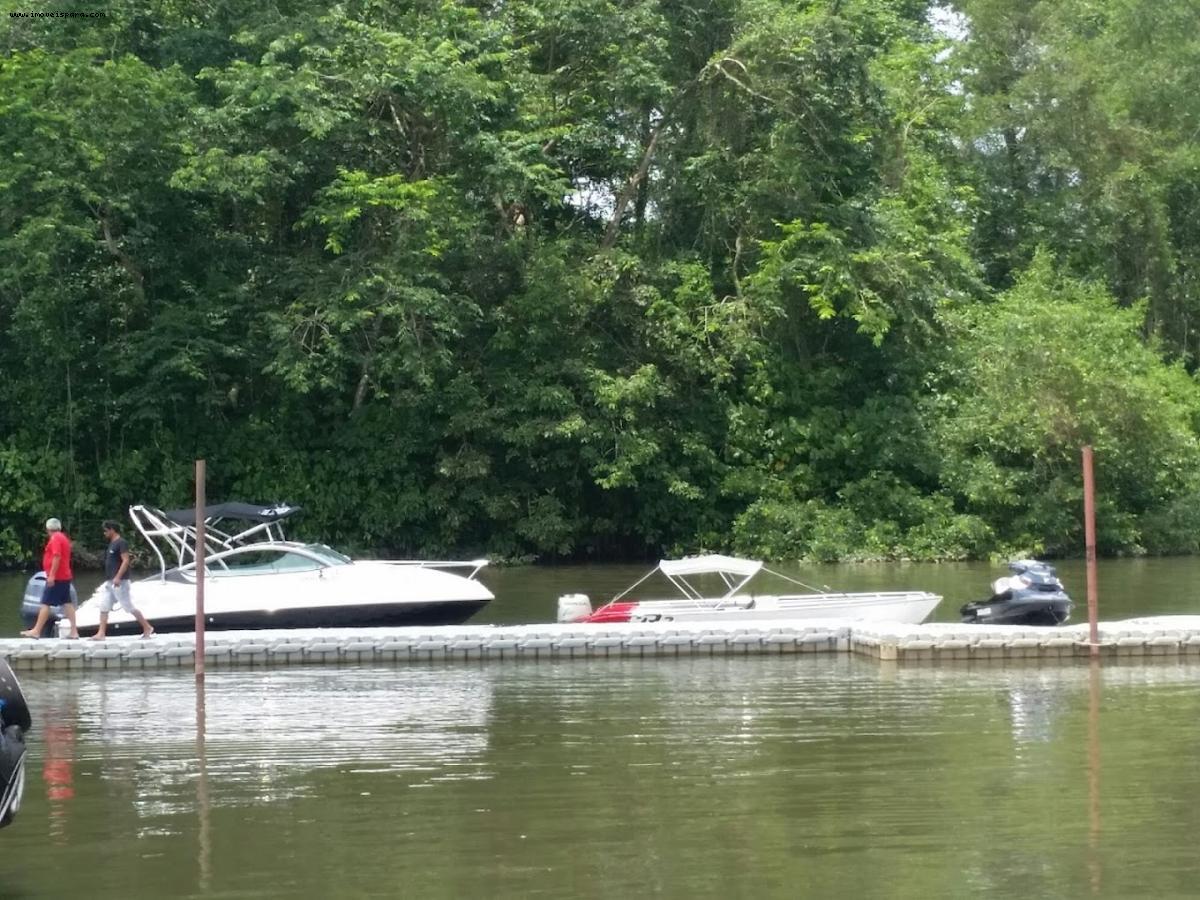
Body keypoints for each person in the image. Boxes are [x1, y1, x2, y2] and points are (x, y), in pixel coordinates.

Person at [92, 520, 153, 640]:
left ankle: (147, 627)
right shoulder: (111, 543)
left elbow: (125, 560)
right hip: (110, 581)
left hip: (120, 581)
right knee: (104, 606)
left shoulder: (121, 543)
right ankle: (101, 633)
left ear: (112, 530)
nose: (104, 533)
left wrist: (118, 577)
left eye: (105, 530)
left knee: (128, 606)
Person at [21, 518, 79, 639]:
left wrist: (51, 575)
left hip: (57, 578)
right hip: (64, 576)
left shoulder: (55, 538)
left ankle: (36, 630)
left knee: (45, 603)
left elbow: (57, 556)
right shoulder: (63, 537)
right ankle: (74, 631)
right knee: (67, 603)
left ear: (48, 529)